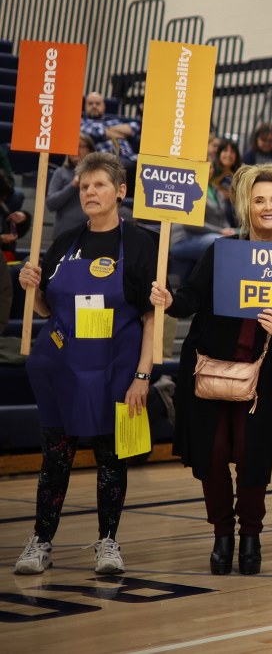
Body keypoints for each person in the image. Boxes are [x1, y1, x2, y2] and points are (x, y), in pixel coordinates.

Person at [150, 164, 272, 576]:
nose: (268, 206)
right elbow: (189, 298)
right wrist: (168, 298)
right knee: (214, 453)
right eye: (259, 200)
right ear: (246, 206)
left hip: (256, 381)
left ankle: (250, 536)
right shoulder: (221, 251)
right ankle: (222, 535)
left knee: (251, 457)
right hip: (207, 371)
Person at [14, 152, 157, 575]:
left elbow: (151, 317)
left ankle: (108, 543)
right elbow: (44, 310)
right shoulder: (64, 243)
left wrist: (142, 376)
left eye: (99, 185)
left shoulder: (143, 244)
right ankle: (40, 542)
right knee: (54, 462)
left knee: (113, 461)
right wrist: (31, 289)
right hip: (63, 372)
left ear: (120, 192)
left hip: (116, 374)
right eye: (85, 186)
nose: (90, 192)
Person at [167, 180, 237, 284]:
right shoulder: (189, 189)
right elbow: (189, 224)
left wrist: (229, 230)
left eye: (211, 166)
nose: (209, 168)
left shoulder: (214, 190)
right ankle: (224, 284)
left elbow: (222, 218)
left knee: (235, 239)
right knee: (219, 242)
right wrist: (221, 231)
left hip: (204, 235)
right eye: (206, 164)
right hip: (183, 239)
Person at [45, 134, 96, 238]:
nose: (76, 150)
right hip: (65, 234)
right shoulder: (61, 172)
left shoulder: (100, 174)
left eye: (80, 146)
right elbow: (51, 204)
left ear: (90, 150)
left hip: (92, 232)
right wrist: (73, 185)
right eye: (72, 147)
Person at [79, 91, 140, 168]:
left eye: (98, 104)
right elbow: (96, 133)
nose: (94, 106)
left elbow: (134, 127)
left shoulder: (113, 120)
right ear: (85, 106)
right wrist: (121, 134)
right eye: (90, 104)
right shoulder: (82, 122)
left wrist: (107, 131)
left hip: (130, 157)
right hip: (106, 162)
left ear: (104, 106)